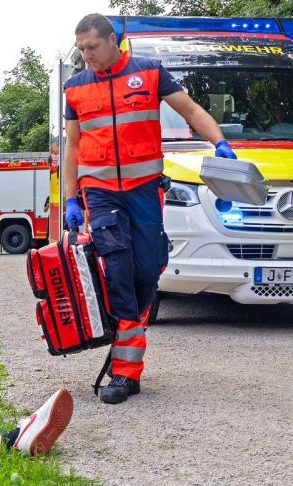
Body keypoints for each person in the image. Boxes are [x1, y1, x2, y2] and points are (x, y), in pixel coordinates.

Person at [63, 14, 237, 404]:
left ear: (113, 41)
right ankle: (126, 373)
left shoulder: (150, 72)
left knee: (146, 271)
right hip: (101, 192)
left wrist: (219, 142)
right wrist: (71, 198)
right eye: (82, 49)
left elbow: (191, 111)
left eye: (93, 47)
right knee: (118, 269)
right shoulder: (75, 89)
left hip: (144, 190)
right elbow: (72, 146)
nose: (87, 56)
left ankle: (126, 342)